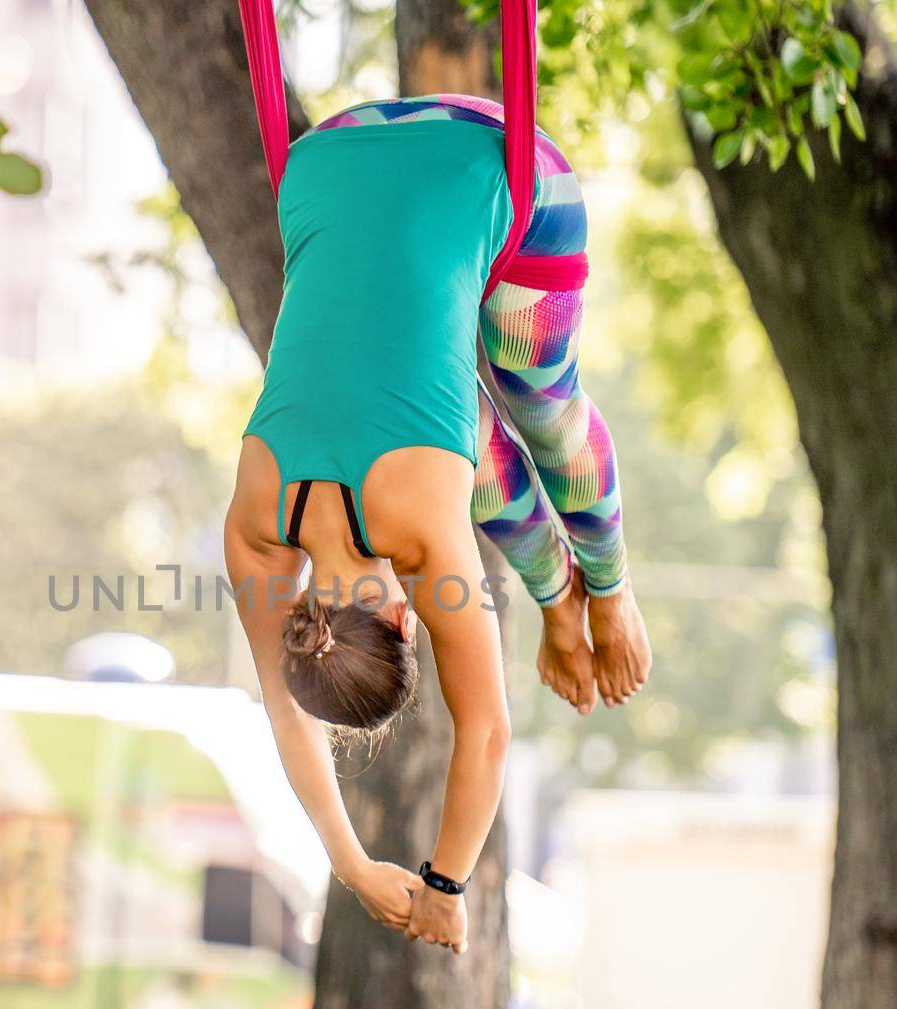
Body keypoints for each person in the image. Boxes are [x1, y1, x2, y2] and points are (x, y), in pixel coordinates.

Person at [223, 96, 651, 954]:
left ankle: (604, 589)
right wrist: (351, 863)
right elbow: (282, 707)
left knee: (540, 401)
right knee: (466, 448)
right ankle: (560, 600)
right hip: (329, 155)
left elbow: (485, 730)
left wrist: (445, 889)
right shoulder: (254, 525)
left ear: (399, 623)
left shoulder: (421, 537)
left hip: (508, 166)